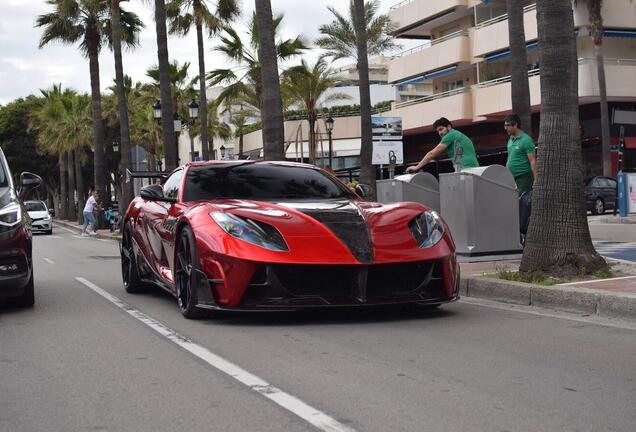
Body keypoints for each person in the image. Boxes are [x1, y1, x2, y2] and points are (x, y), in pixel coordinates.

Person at [406, 117, 479, 173]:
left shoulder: (450, 135)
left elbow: (432, 154)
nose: (440, 133)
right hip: (475, 168)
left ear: (449, 127)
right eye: (438, 131)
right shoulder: (458, 134)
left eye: (441, 129)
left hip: (465, 168)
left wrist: (417, 167)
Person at [504, 114, 537, 194]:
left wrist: (536, 179)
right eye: (505, 125)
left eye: (508, 126)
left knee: (521, 202)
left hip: (524, 177)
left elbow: (533, 161)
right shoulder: (510, 139)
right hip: (511, 178)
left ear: (515, 125)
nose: (505, 128)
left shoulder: (526, 140)